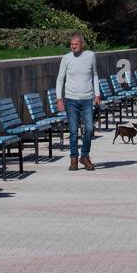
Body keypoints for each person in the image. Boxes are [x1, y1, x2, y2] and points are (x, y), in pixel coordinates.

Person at [55, 32, 102, 171]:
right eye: (71, 44)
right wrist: (59, 98)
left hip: (87, 99)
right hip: (71, 100)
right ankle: (74, 159)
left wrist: (97, 94)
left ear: (82, 44)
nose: (73, 47)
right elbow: (60, 79)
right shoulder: (66, 58)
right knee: (74, 131)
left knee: (89, 129)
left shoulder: (90, 56)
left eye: (76, 44)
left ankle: (85, 156)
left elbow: (95, 75)